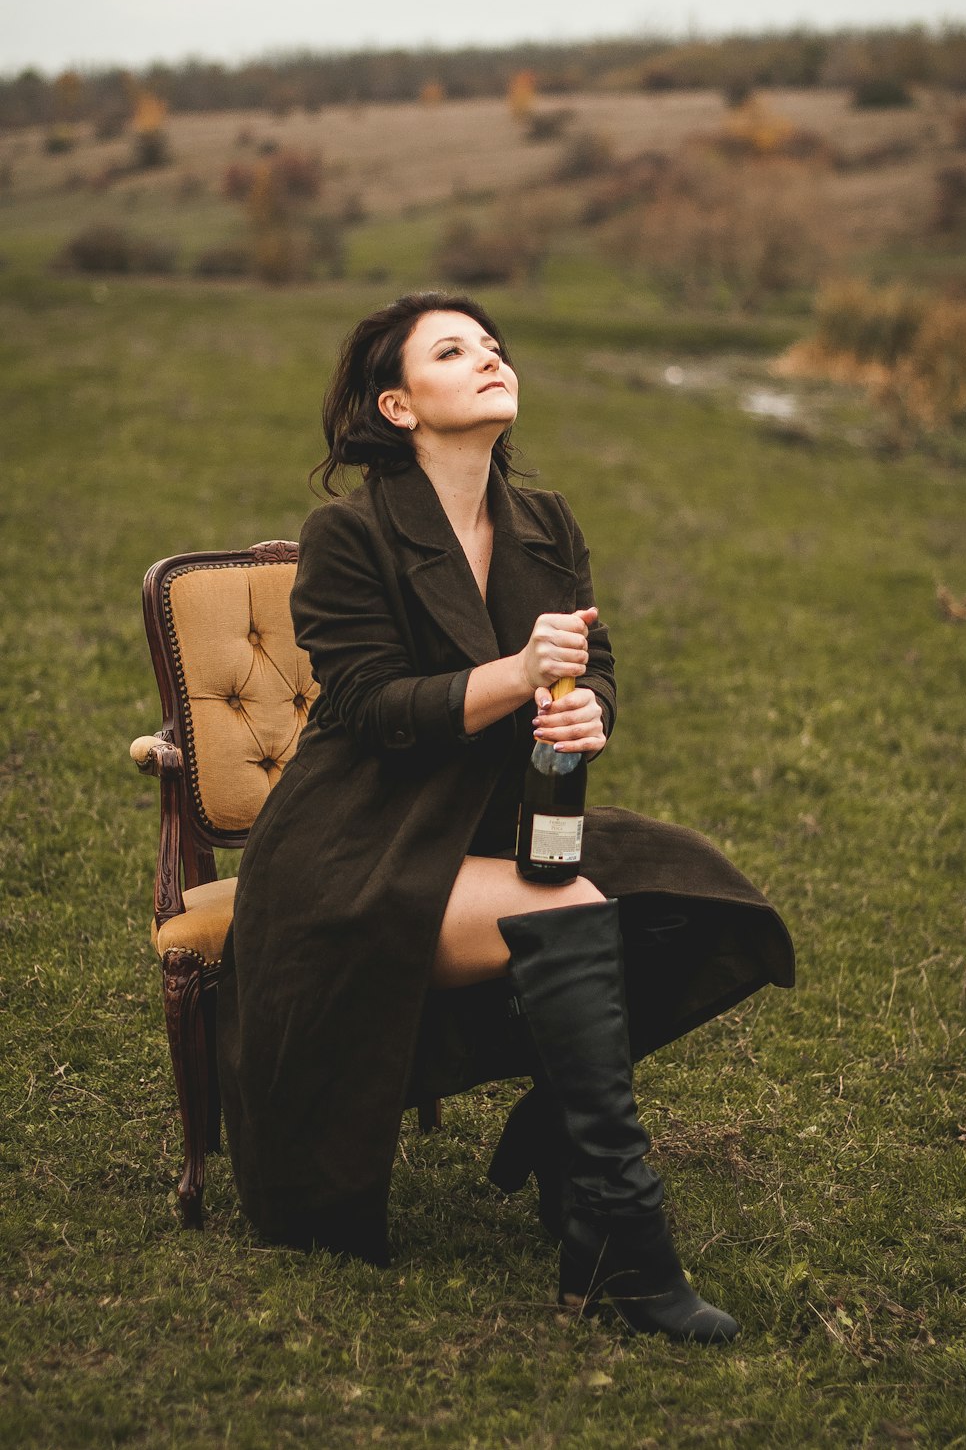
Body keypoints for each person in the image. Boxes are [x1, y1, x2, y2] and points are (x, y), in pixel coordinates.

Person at [216, 291, 794, 1344]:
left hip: (492, 818)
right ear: (399, 404)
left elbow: (593, 657)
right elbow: (370, 707)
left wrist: (587, 713)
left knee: (696, 896)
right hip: (355, 839)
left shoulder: (543, 520)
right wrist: (514, 674)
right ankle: (619, 1239)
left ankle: (557, 1132)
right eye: (452, 350)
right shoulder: (347, 533)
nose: (487, 358)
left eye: (491, 345)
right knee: (572, 906)